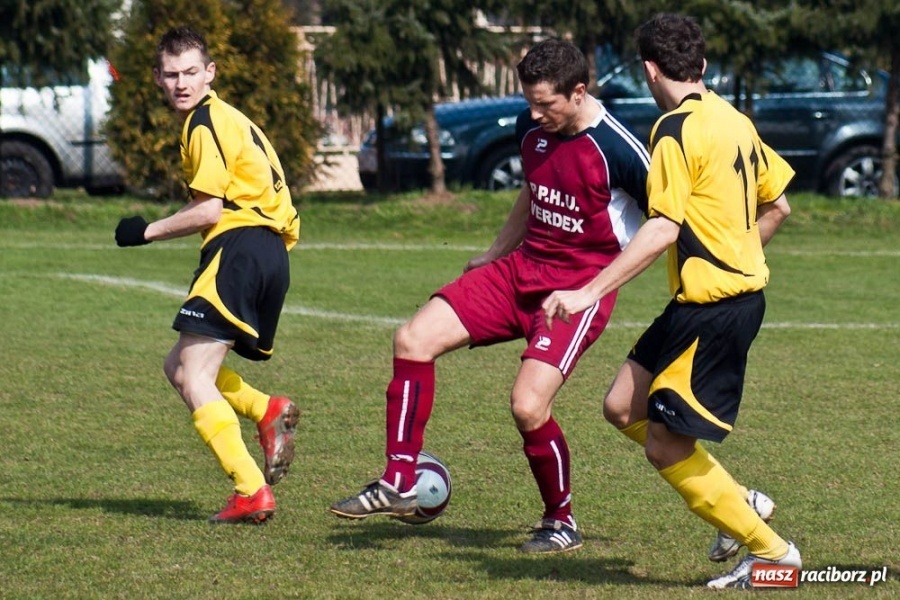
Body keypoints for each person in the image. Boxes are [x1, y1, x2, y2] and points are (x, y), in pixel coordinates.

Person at [329, 38, 650, 553]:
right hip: (518, 271)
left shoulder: (620, 150)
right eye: (530, 101)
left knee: (527, 406)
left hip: (575, 292)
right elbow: (534, 190)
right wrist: (495, 251)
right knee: (412, 338)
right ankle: (400, 479)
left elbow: (665, 226)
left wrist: (592, 290)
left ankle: (560, 520)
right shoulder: (533, 128)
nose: (534, 113)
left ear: (579, 92)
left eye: (546, 103)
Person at [541, 13, 801, 587]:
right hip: (704, 301)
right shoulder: (734, 119)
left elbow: (661, 228)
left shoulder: (675, 129)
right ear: (702, 65)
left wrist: (587, 292)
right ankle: (738, 502)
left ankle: (773, 555)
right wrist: (734, 252)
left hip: (715, 308)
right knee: (622, 407)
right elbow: (778, 205)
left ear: (649, 70)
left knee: (663, 445)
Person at [114, 26, 300, 524]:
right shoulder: (231, 117)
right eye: (172, 74)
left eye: (191, 72)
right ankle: (265, 409)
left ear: (209, 73)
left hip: (239, 250)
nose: (181, 82)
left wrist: (145, 231)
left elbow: (208, 211)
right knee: (178, 366)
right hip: (270, 252)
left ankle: (251, 490)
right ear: (157, 77)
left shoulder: (203, 123)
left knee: (194, 375)